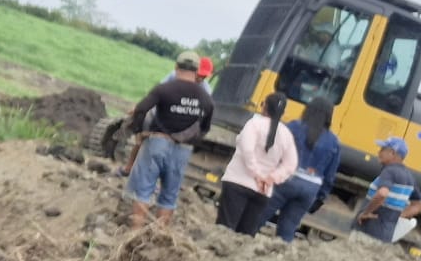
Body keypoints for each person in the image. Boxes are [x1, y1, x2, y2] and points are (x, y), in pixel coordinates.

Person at [124, 50, 216, 228]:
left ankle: (134, 233)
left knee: (143, 190)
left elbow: (141, 109)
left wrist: (138, 130)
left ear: (176, 67)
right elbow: (205, 127)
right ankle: (160, 236)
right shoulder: (206, 97)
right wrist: (191, 140)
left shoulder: (164, 89)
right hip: (183, 150)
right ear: (197, 71)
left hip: (157, 142)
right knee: (169, 196)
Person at [217, 92, 299, 236]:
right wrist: (271, 178)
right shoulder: (286, 134)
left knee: (224, 230)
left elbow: (247, 150)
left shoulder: (254, 124)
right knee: (246, 236)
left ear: (264, 106)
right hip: (263, 191)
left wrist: (257, 174)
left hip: (238, 181)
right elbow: (291, 164)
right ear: (283, 112)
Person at [262, 97, 342, 243]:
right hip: (310, 188)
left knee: (259, 215)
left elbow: (274, 151)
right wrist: (320, 198)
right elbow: (330, 175)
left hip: (285, 180)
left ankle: (241, 244)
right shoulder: (334, 142)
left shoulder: (293, 127)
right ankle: (280, 252)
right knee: (288, 227)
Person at [353, 136, 421, 244]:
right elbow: (419, 205)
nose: (379, 152)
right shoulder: (409, 177)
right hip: (386, 234)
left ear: (392, 153)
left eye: (383, 149)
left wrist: (366, 213)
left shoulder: (389, 171)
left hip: (369, 230)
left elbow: (382, 193)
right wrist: (396, 217)